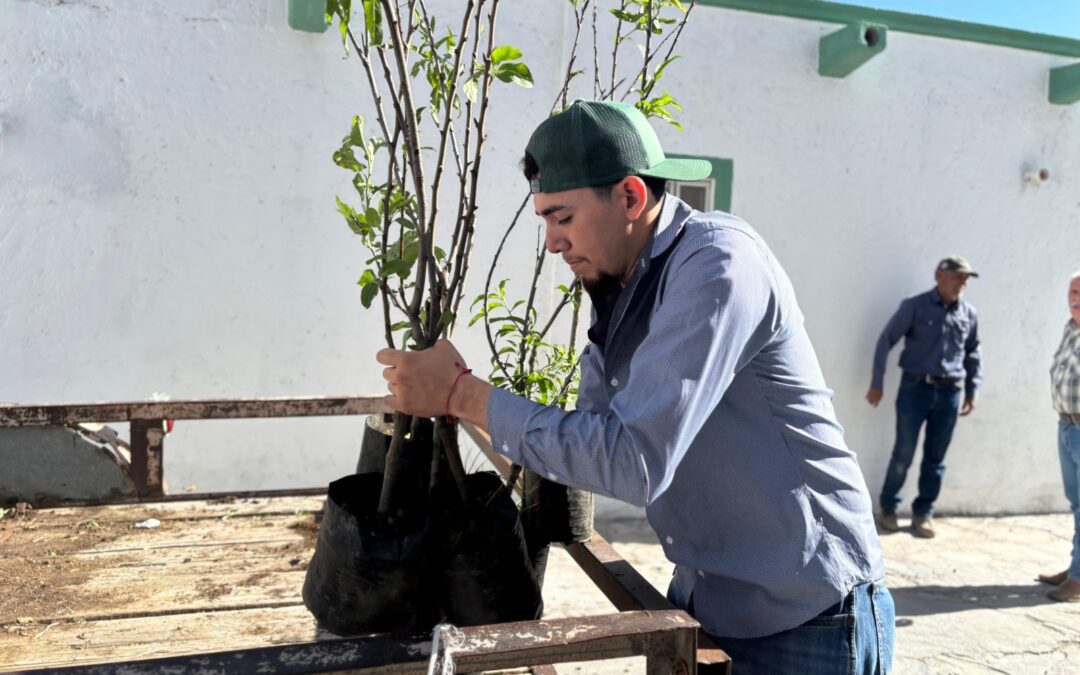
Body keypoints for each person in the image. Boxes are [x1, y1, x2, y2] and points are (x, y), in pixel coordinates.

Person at [377, 100, 893, 672]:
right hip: (707, 596)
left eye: (562, 218)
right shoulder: (624, 285)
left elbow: (632, 463)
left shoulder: (718, 264)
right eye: (544, 220)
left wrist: (462, 395)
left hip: (806, 616)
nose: (552, 242)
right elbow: (596, 439)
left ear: (630, 196)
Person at [867, 256, 982, 539]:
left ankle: (923, 513)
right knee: (903, 452)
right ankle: (889, 508)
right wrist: (877, 382)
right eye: (957, 276)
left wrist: (972, 389)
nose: (963, 283)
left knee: (936, 457)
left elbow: (973, 352)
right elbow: (886, 340)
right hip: (915, 389)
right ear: (939, 276)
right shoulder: (915, 306)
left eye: (966, 278)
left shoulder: (968, 313)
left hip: (950, 392)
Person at [1039, 271, 1080, 602]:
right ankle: (1076, 567)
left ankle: (1079, 579)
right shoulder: (1071, 328)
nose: (1075, 298)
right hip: (1067, 426)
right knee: (1076, 502)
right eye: (1072, 292)